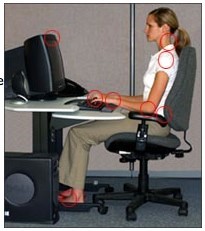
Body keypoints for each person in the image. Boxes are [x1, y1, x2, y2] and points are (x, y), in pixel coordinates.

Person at [58, 7, 191, 204]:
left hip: (151, 123)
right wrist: (110, 98)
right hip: (154, 120)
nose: (145, 30)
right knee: (88, 127)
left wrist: (115, 101)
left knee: (79, 134)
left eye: (149, 25)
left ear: (164, 28)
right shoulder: (166, 56)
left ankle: (76, 194)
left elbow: (148, 107)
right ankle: (72, 187)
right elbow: (147, 97)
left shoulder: (165, 59)